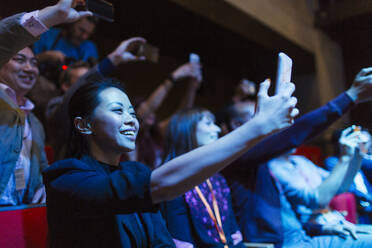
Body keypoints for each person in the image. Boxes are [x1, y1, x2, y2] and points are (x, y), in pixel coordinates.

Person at [43, 75, 298, 247]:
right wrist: (257, 127)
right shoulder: (65, 179)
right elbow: (156, 185)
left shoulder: (133, 170)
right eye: (118, 111)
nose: (132, 120)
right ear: (84, 125)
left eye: (133, 113)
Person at [219, 69, 372, 247]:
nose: (268, 123)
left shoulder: (276, 164)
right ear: (236, 124)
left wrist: (320, 228)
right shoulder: (243, 158)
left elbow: (292, 218)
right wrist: (350, 96)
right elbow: (295, 134)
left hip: (306, 234)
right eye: (256, 116)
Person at [0, 0, 92, 205]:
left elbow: (41, 169)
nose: (30, 69)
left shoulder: (34, 122)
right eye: (20, 60)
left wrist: (42, 186)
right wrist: (51, 17)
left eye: (34, 63)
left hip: (17, 217)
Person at [161, 108, 245, 247]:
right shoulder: (174, 181)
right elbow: (181, 240)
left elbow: (234, 235)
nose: (217, 129)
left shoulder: (217, 179)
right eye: (208, 124)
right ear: (188, 130)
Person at [128, 62, 202, 168]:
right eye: (143, 107)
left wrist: (192, 87)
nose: (151, 113)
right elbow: (149, 108)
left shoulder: (156, 133)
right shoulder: (131, 132)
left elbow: (182, 115)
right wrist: (175, 76)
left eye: (153, 111)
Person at [325, 127, 372, 224]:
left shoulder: (360, 159)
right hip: (358, 207)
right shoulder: (333, 161)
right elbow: (344, 187)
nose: (365, 145)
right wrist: (368, 197)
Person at [33, 15, 98, 63]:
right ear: (72, 23)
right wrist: (45, 56)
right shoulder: (47, 35)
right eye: (81, 30)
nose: (84, 37)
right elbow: (28, 61)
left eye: (89, 34)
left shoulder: (90, 48)